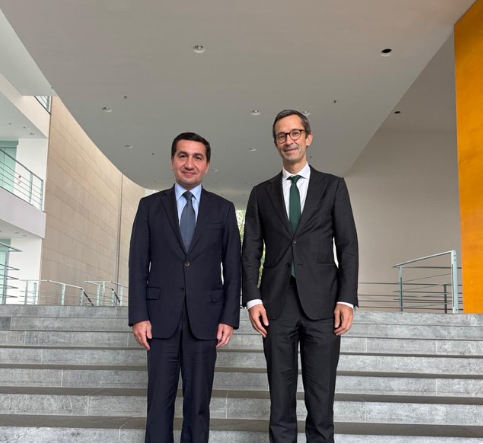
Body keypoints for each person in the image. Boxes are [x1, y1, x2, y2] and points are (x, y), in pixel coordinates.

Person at [242, 110, 359, 443]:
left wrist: (346, 299)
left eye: (295, 133)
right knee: (280, 402)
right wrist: (253, 299)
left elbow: (348, 245)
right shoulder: (261, 193)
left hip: (323, 305)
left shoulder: (333, 186)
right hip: (275, 306)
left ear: (308, 138)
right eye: (282, 135)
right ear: (276, 143)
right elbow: (250, 251)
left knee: (321, 403)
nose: (289, 140)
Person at [129, 132, 241, 443]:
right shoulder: (149, 206)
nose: (189, 163)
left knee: (198, 405)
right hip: (159, 320)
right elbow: (137, 264)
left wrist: (229, 318)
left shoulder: (224, 209)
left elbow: (233, 268)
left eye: (197, 157)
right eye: (183, 156)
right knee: (158, 404)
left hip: (206, 320)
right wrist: (139, 316)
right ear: (172, 162)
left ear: (207, 166)